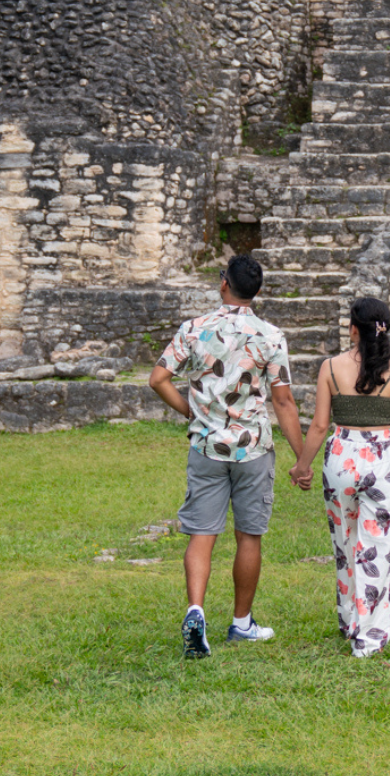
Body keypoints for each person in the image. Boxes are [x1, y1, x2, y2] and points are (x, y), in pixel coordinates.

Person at [149, 254, 304, 660]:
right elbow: (283, 400)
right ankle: (241, 623)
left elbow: (158, 378)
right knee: (248, 535)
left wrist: (189, 410)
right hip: (253, 447)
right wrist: (302, 456)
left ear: (224, 283)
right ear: (257, 291)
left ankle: (195, 609)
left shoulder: (195, 329)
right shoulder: (270, 335)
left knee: (203, 533)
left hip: (206, 446)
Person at [289, 296, 390, 657]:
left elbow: (318, 426)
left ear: (353, 329)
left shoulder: (330, 368)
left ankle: (351, 620)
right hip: (382, 461)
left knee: (346, 545)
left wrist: (302, 466)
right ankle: (372, 629)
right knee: (378, 546)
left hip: (341, 459)